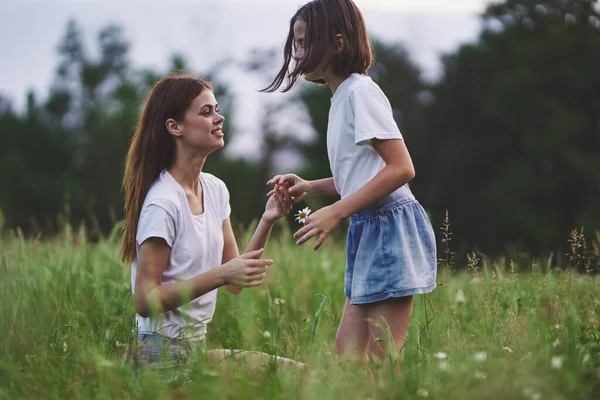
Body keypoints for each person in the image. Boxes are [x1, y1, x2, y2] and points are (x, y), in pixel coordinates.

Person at [263, 0, 437, 365]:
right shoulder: (341, 96)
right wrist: (311, 187)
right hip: (369, 227)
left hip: (389, 227)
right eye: (295, 43)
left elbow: (402, 169)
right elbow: (362, 175)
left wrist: (335, 213)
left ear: (337, 44)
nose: (296, 53)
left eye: (304, 42)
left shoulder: (360, 92)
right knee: (346, 364)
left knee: (377, 365)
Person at [120, 73, 302, 376]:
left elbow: (233, 280)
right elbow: (145, 300)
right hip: (160, 357)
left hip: (196, 348)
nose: (219, 118)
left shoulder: (215, 189)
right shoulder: (163, 202)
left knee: (298, 376)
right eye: (206, 112)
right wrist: (219, 275)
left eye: (216, 109)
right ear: (174, 127)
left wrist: (268, 219)